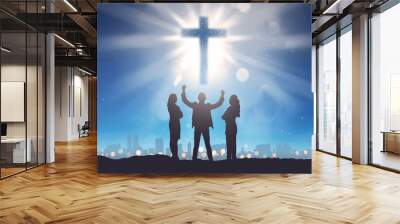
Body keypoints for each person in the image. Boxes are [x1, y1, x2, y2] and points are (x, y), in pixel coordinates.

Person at [181, 85, 224, 161]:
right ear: (205, 98)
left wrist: (183, 90)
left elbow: (185, 101)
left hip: (198, 127)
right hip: (204, 127)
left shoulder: (195, 105)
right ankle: (210, 160)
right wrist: (222, 95)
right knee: (206, 144)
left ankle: (195, 160)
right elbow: (218, 104)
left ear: (199, 98)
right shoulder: (207, 106)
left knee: (197, 144)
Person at [222, 95, 240, 160]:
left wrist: (227, 117)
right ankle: (233, 157)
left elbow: (223, 117)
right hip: (232, 126)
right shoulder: (236, 107)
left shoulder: (230, 108)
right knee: (233, 142)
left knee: (229, 143)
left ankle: (229, 157)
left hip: (229, 126)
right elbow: (223, 116)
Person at [167, 94, 183, 160]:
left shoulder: (170, 106)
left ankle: (175, 155)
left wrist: (178, 114)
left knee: (173, 139)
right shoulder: (174, 106)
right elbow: (181, 115)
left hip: (173, 123)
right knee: (174, 139)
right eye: (175, 97)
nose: (176, 98)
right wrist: (178, 114)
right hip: (175, 123)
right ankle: (175, 155)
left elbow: (181, 115)